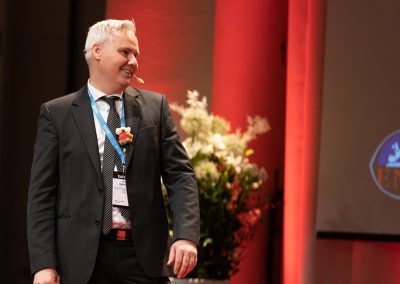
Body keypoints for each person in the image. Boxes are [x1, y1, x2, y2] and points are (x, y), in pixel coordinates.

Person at [27, 19, 199, 284]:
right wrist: (44, 264)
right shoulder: (57, 114)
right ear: (97, 51)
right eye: (125, 52)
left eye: (136, 55)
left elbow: (181, 176)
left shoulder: (155, 107)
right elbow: (42, 194)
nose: (133, 62)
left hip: (143, 256)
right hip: (81, 259)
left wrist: (186, 236)